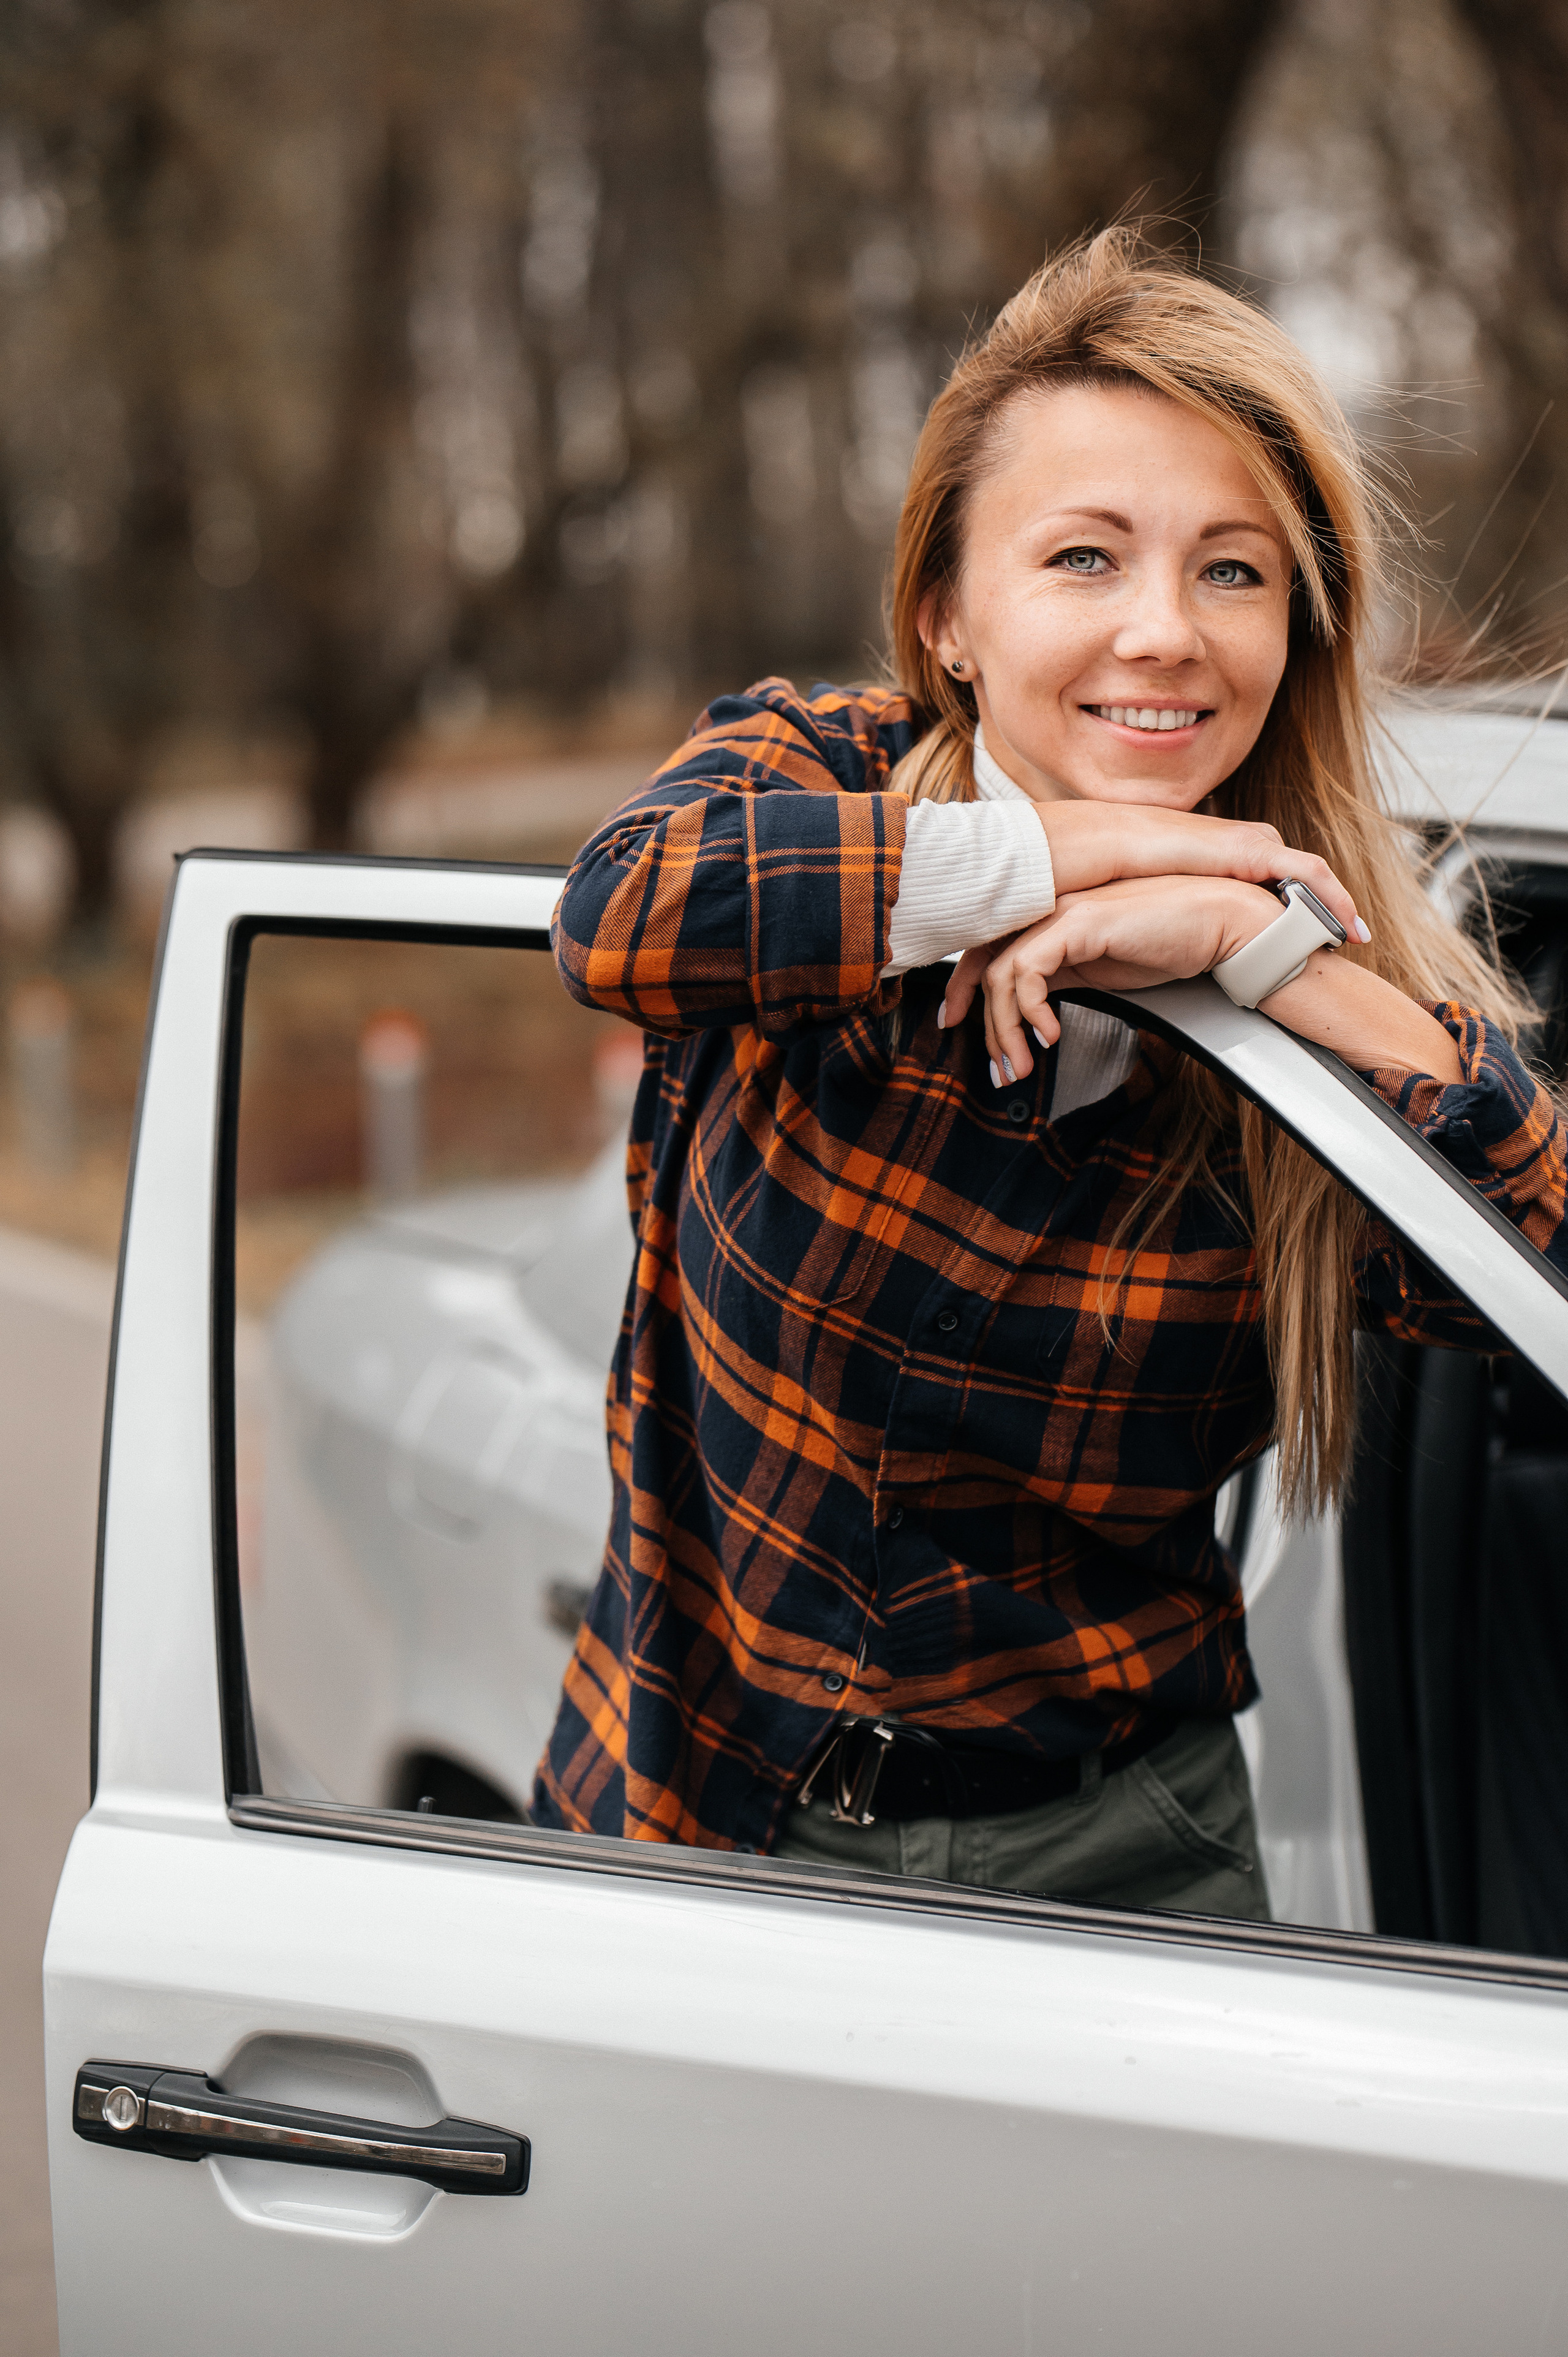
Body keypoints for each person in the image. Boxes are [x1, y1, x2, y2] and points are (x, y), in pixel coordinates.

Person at [531, 229, 1568, 1921]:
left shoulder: (1311, 976)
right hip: (693, 1823)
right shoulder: (820, 773)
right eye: (1085, 558)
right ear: (946, 614)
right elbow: (616, 912)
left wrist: (1272, 961)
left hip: (1128, 1865)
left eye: (1233, 571)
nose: (1165, 632)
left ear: (1296, 623)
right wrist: (1042, 863)